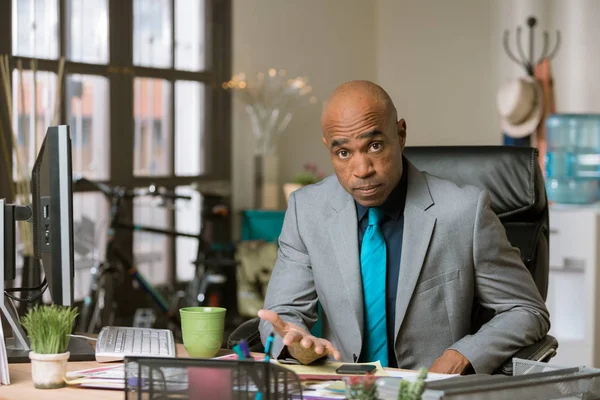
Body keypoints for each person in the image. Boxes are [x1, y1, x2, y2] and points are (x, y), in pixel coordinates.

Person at [257, 80, 550, 375]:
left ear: (401, 133)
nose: (362, 170)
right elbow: (281, 315)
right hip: (341, 388)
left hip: (430, 390)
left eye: (374, 146)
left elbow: (527, 311)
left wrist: (463, 353)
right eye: (344, 153)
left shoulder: (464, 212)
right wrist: (294, 343)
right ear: (328, 148)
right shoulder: (307, 210)